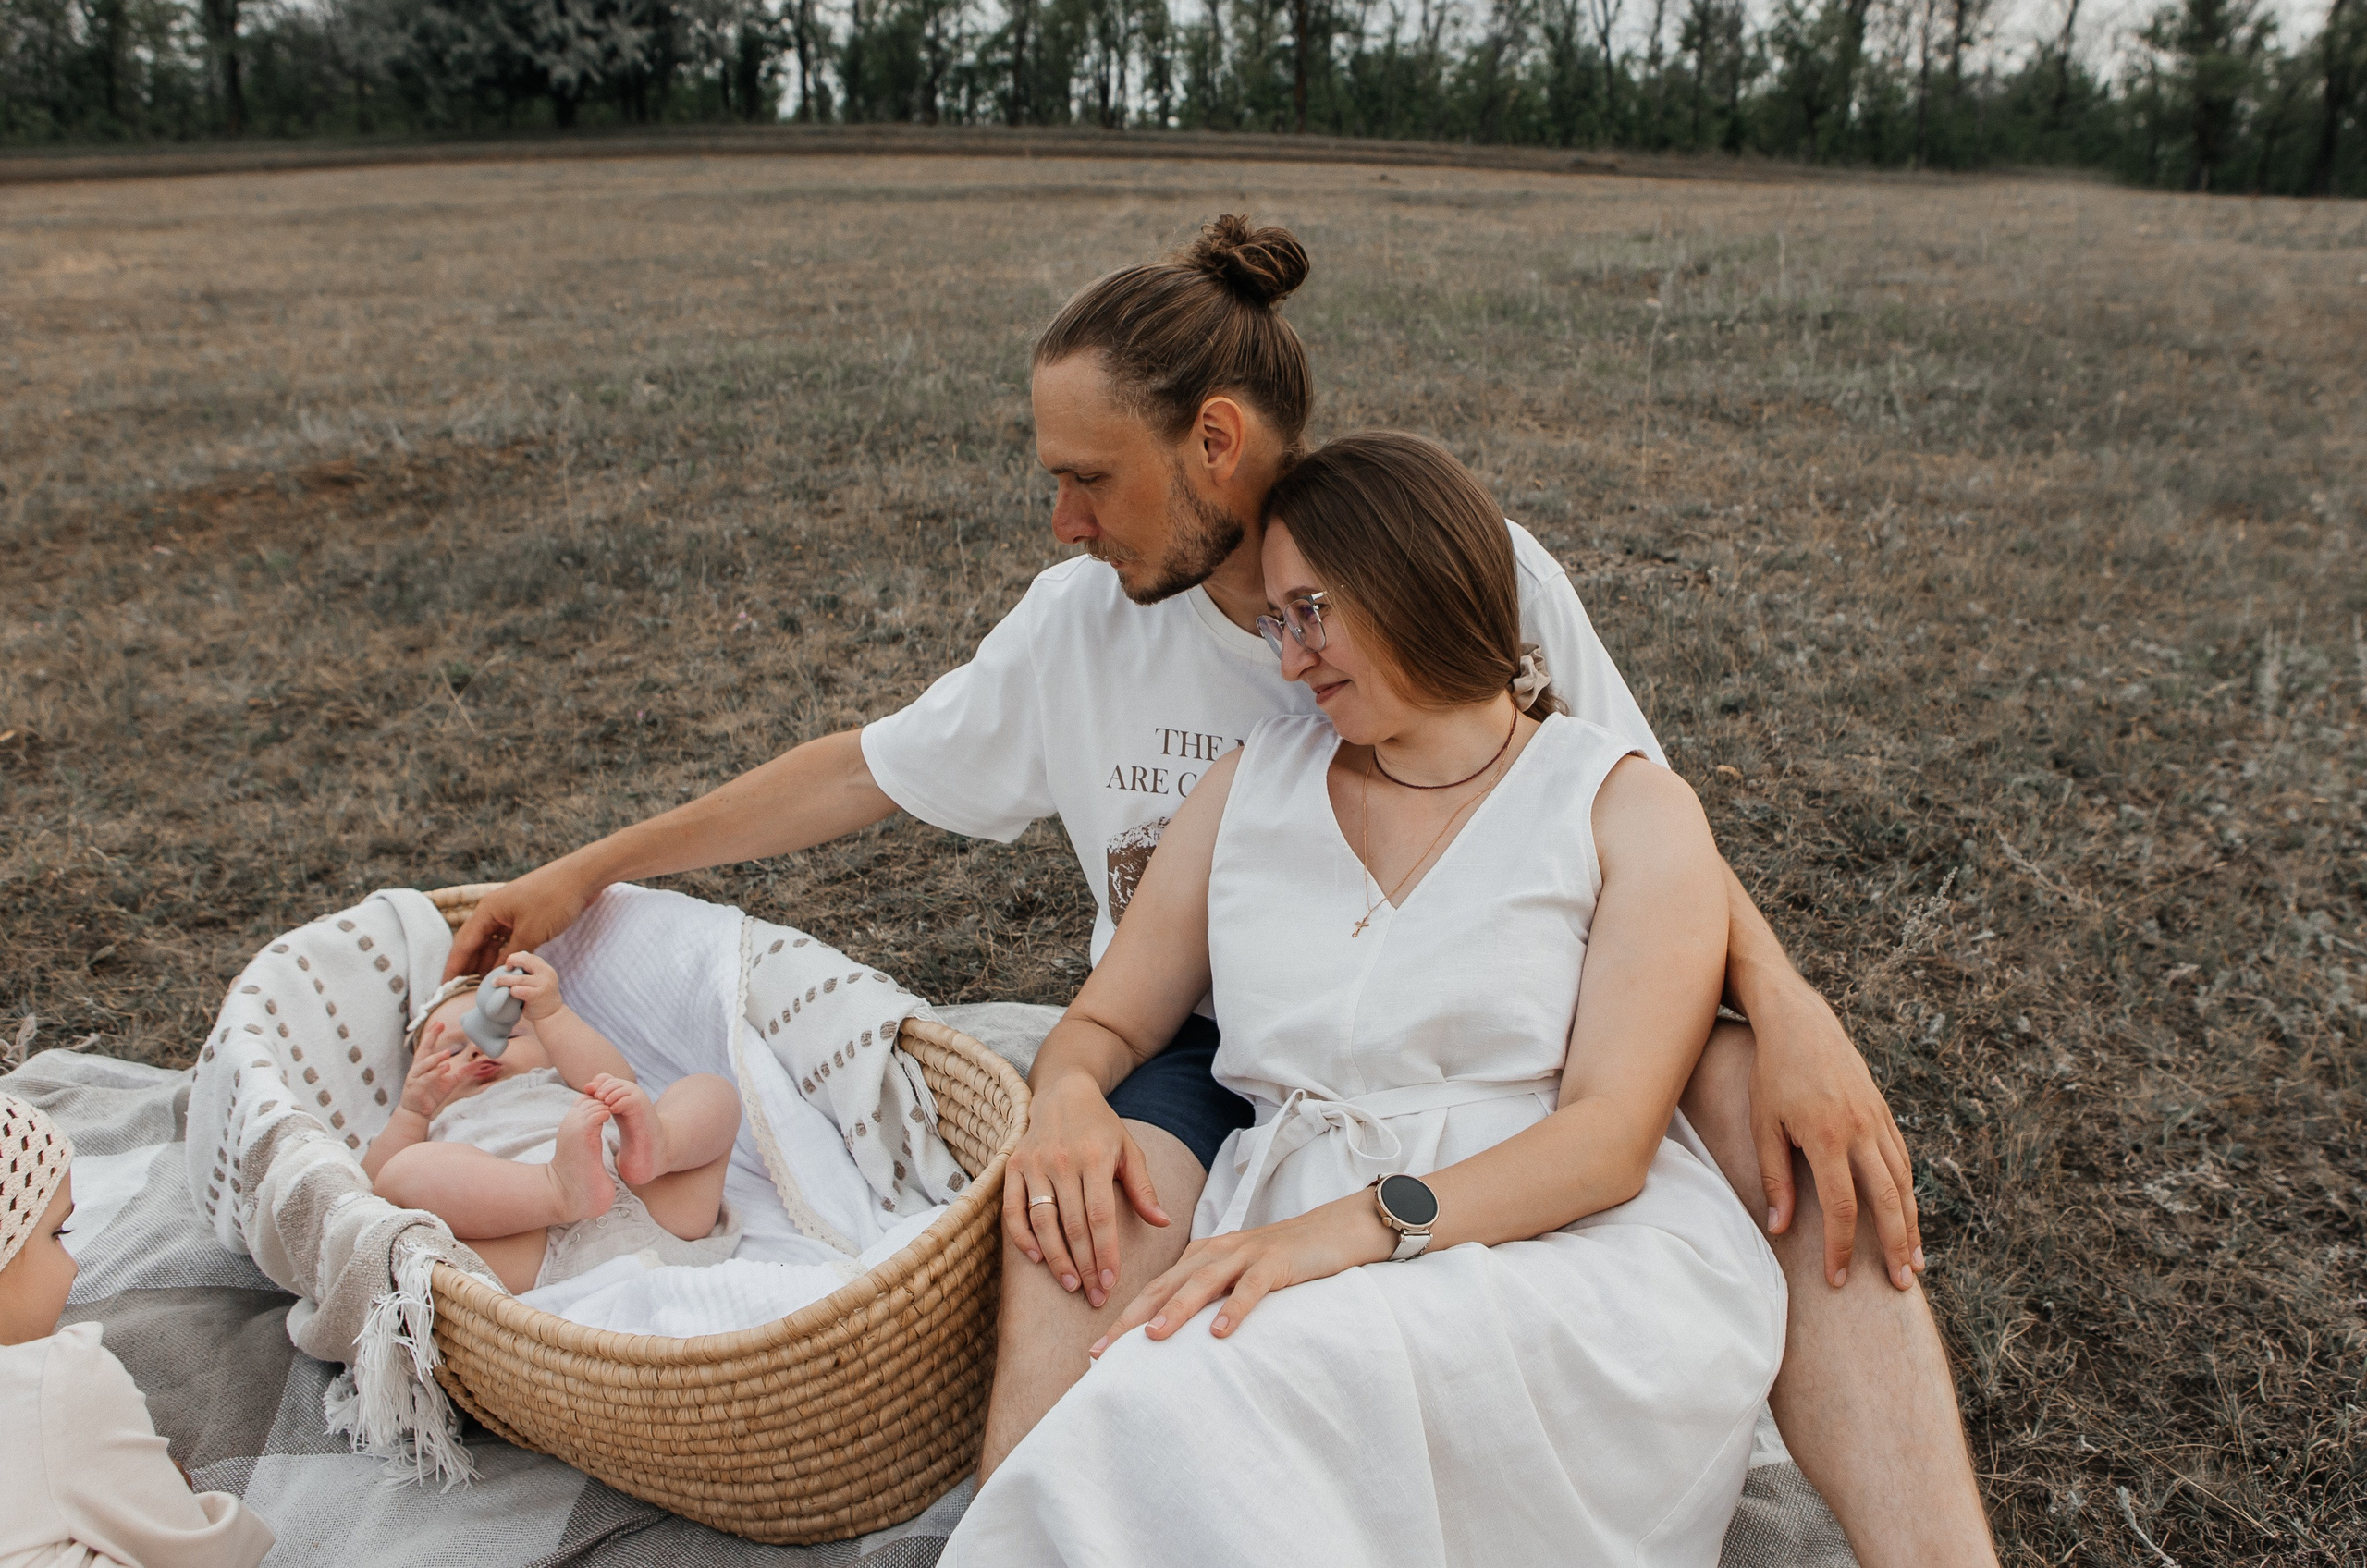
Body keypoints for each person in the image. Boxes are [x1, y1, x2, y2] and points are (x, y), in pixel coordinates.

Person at [446, 216, 1994, 1564]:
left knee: (1789, 1123)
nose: (1064, 521)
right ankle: (1048, 1513)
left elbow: (1631, 812)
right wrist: (592, 866)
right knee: (1076, 1205)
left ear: (1215, 440)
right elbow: (864, 768)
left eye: (1087, 478)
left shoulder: (1468, 565)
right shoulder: (1084, 629)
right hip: (1201, 1029)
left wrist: (1789, 1008)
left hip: (1510, 1007)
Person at [947, 432, 1787, 1562]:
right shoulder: (1252, 784)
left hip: (1553, 1255)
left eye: (1310, 613)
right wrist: (1067, 1096)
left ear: (1412, 580)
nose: (1290, 660)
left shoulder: (1620, 806)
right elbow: (1106, 1020)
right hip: (1284, 1237)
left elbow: (1607, 1143)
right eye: (1274, 623)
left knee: (1201, 1400)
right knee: (1152, 1416)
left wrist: (1343, 1233)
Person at [1, 1091, 277, 1568]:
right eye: (57, 1233)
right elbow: (205, 1557)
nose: (73, 1266)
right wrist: (177, 1495)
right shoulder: (57, 1379)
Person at [367, 950, 743, 1294]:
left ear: (549, 1046)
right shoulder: (437, 1121)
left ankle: (662, 1148)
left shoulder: (563, 1077)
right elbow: (368, 1190)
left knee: (710, 1091)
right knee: (401, 1173)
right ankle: (557, 1191)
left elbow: (619, 1079)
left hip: (651, 1200)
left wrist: (550, 1013)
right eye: (450, 1051)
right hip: (532, 1245)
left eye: (510, 1033)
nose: (478, 1048)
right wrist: (412, 1112)